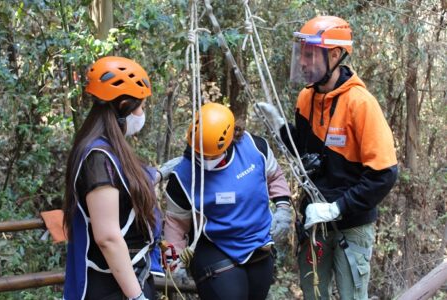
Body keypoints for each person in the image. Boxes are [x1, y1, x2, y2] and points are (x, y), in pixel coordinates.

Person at [256, 16, 398, 300]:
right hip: (313, 222)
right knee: (313, 294)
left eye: (311, 54)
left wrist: (337, 208)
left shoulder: (361, 103)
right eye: (302, 54)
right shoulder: (305, 99)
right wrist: (283, 130)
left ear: (334, 54)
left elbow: (384, 174)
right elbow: (306, 153)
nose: (304, 62)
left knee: (351, 296)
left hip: (352, 226)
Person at [62, 56, 178, 300]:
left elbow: (127, 183)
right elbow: (108, 237)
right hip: (113, 287)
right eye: (141, 107)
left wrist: (161, 172)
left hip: (132, 277)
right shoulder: (98, 158)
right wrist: (137, 297)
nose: (142, 113)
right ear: (124, 104)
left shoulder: (108, 149)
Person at [163, 102, 293, 300]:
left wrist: (283, 208)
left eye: (211, 154)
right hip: (215, 244)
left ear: (230, 139)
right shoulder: (183, 176)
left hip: (258, 241)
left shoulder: (255, 148)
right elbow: (175, 223)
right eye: (200, 154)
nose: (205, 159)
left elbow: (274, 176)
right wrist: (173, 263)